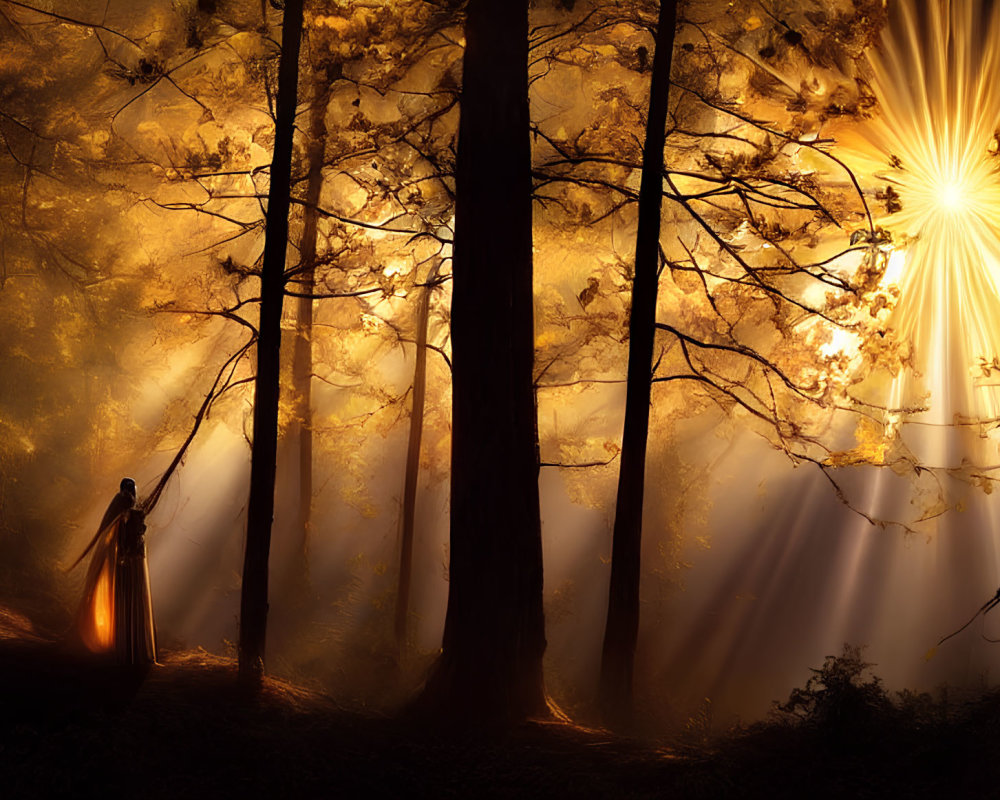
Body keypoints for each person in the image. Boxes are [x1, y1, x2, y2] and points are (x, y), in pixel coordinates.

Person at [70, 478, 157, 664]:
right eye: (131, 490)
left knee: (130, 600)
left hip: (133, 562)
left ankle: (129, 648)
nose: (132, 494)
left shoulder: (131, 512)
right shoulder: (124, 510)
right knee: (127, 600)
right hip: (128, 563)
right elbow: (124, 536)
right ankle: (126, 648)